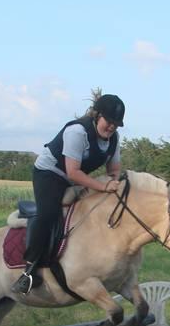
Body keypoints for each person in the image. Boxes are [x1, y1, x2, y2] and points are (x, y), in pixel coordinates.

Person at [11, 91, 125, 294]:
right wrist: (104, 186)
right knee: (49, 214)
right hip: (50, 173)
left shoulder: (113, 138)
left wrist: (114, 183)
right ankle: (29, 271)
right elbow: (73, 173)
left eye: (116, 123)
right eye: (109, 121)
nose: (112, 127)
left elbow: (114, 170)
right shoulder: (77, 132)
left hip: (75, 177)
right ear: (97, 115)